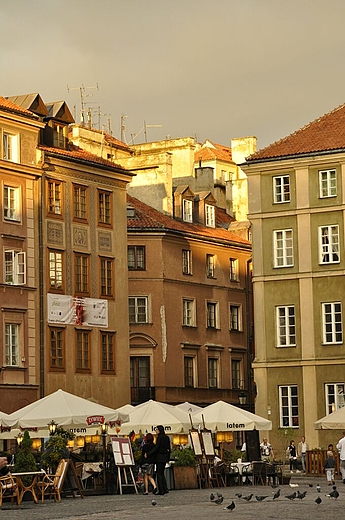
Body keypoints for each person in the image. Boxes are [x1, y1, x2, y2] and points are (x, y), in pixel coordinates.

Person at [149, 425, 171, 495]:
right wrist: (168, 458)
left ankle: (161, 490)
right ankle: (165, 488)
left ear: (159, 430)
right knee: (162, 473)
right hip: (165, 457)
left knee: (159, 473)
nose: (155, 431)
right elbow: (169, 448)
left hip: (160, 457)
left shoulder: (159, 438)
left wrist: (149, 453)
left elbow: (157, 447)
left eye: (156, 429)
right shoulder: (166, 437)